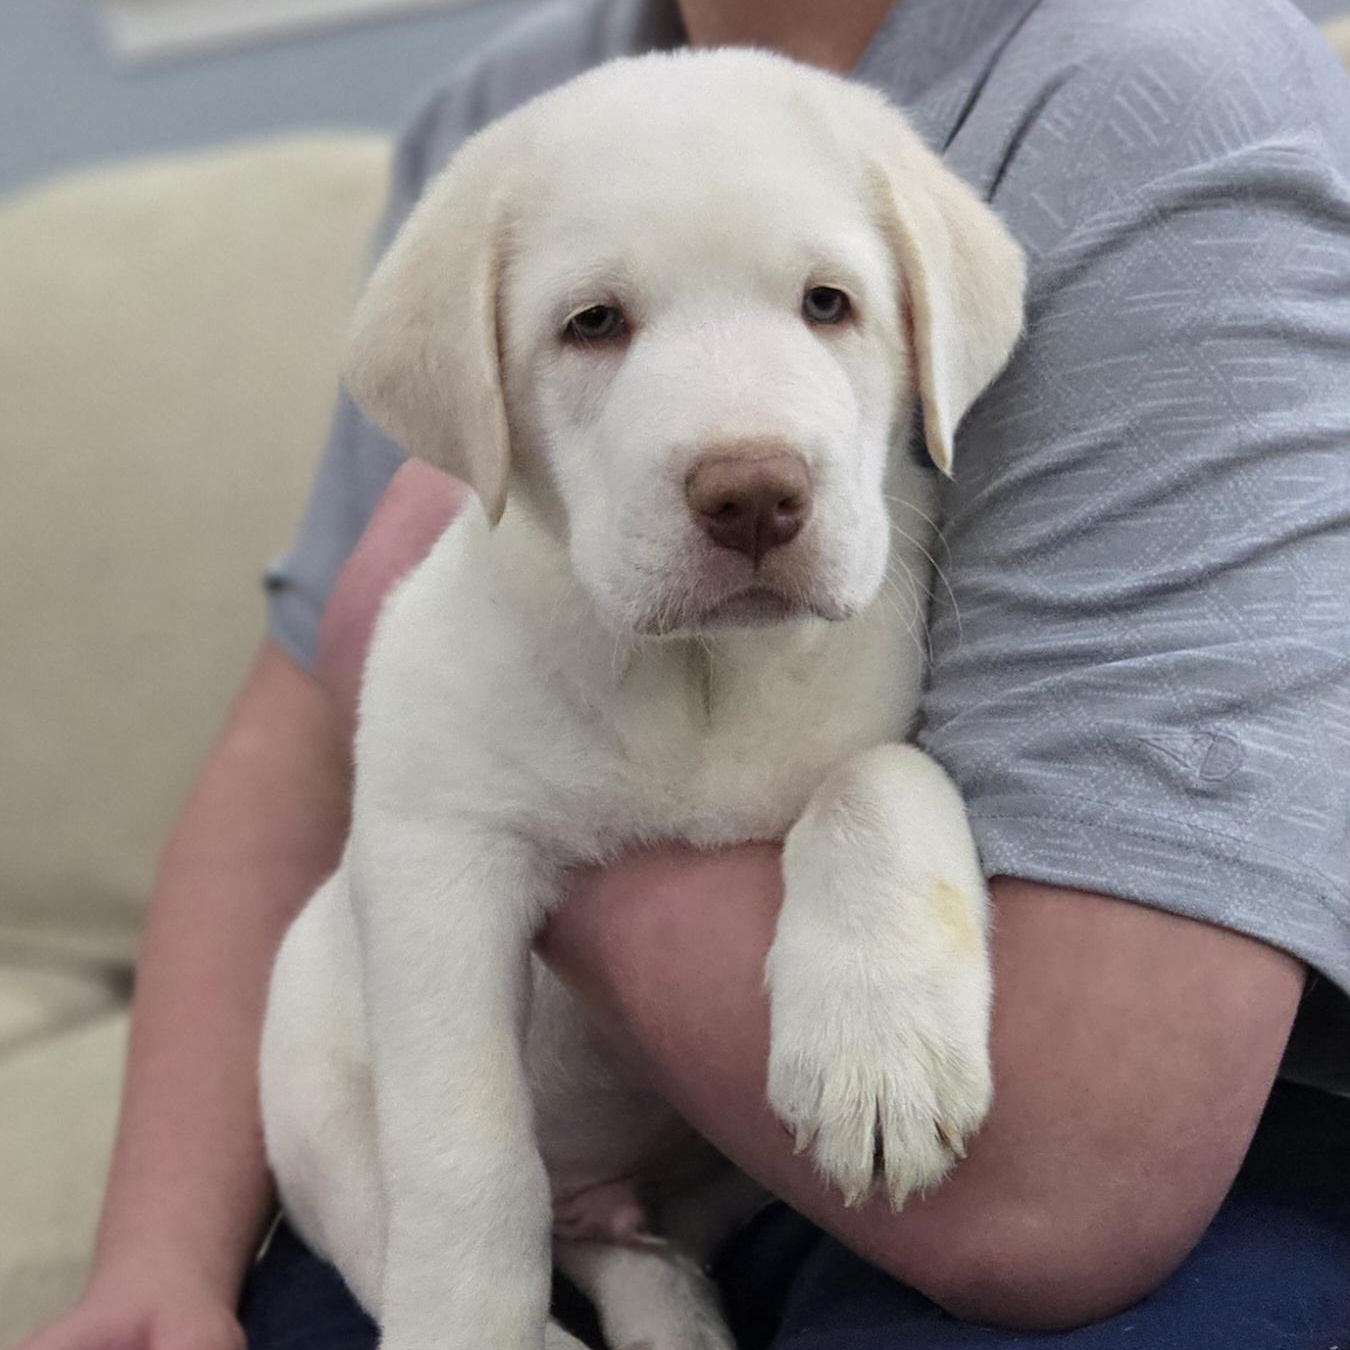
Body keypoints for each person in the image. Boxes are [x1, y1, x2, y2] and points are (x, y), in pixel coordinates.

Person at [24, 0, 1350, 1347]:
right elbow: (307, 739)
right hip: (515, 1142)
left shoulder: (1157, 81)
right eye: (595, 321)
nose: (744, 457)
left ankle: (644, 1261)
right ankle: (613, 1269)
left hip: (1047, 1168)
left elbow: (1069, 1194)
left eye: (825, 303)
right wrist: (159, 1261)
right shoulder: (505, 118)